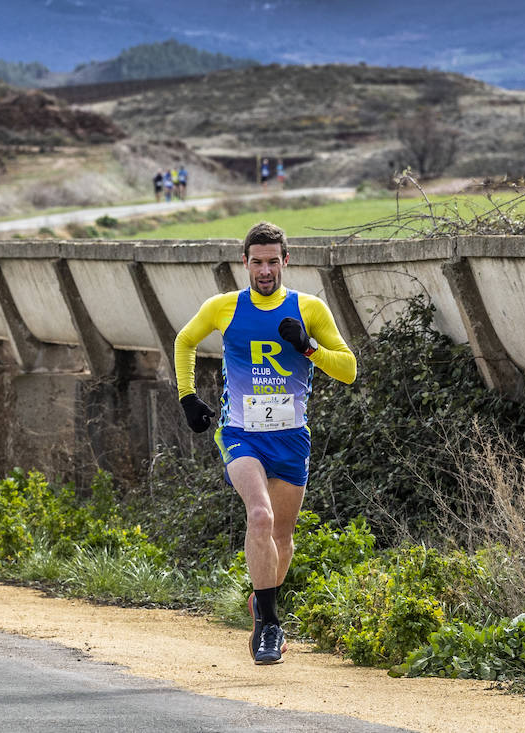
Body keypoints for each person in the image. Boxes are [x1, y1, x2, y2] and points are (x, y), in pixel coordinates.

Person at [173, 221, 357, 665]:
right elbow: (185, 340)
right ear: (245, 263)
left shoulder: (309, 309)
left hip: (291, 437)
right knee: (259, 514)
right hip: (240, 434)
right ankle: (271, 625)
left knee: (282, 535)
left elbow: (349, 369)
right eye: (257, 262)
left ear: (286, 262)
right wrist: (187, 397)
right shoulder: (224, 307)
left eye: (273, 261)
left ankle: (262, 600)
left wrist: (308, 347)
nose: (265, 270)